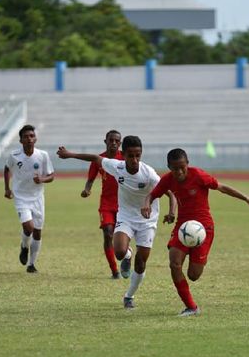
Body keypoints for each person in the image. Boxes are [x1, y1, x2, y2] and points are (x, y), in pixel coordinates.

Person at [57, 135, 176, 309]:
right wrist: (69, 154)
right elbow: (96, 159)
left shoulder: (148, 173)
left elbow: (170, 193)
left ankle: (129, 295)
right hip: (126, 217)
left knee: (141, 262)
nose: (134, 160)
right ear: (124, 155)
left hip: (147, 221)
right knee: (119, 251)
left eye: (138, 155)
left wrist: (172, 212)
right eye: (130, 156)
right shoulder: (117, 167)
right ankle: (127, 255)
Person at [142, 148, 249, 317]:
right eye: (175, 168)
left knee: (193, 275)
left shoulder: (198, 175)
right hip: (182, 227)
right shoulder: (167, 180)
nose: (179, 171)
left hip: (204, 228)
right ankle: (191, 307)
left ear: (187, 164)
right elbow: (152, 195)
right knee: (174, 263)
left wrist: (247, 199)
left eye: (182, 167)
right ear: (169, 167)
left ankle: (198, 257)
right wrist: (146, 204)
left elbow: (222, 187)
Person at [4, 125, 55, 273]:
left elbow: (51, 176)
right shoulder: (14, 155)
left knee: (38, 232)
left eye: (31, 136)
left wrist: (42, 179)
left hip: (38, 198)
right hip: (21, 197)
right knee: (28, 227)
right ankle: (24, 246)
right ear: (20, 140)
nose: (29, 139)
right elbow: (7, 168)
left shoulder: (43, 155)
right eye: (26, 136)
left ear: (35, 138)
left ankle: (31, 265)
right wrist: (7, 188)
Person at [81, 130, 124, 279]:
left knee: (122, 237)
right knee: (108, 234)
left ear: (120, 143)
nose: (113, 143)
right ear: (105, 141)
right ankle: (114, 271)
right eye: (110, 140)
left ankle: (127, 257)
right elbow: (90, 179)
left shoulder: (125, 158)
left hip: (124, 205)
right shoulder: (98, 160)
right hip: (106, 203)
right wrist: (87, 190)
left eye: (116, 141)